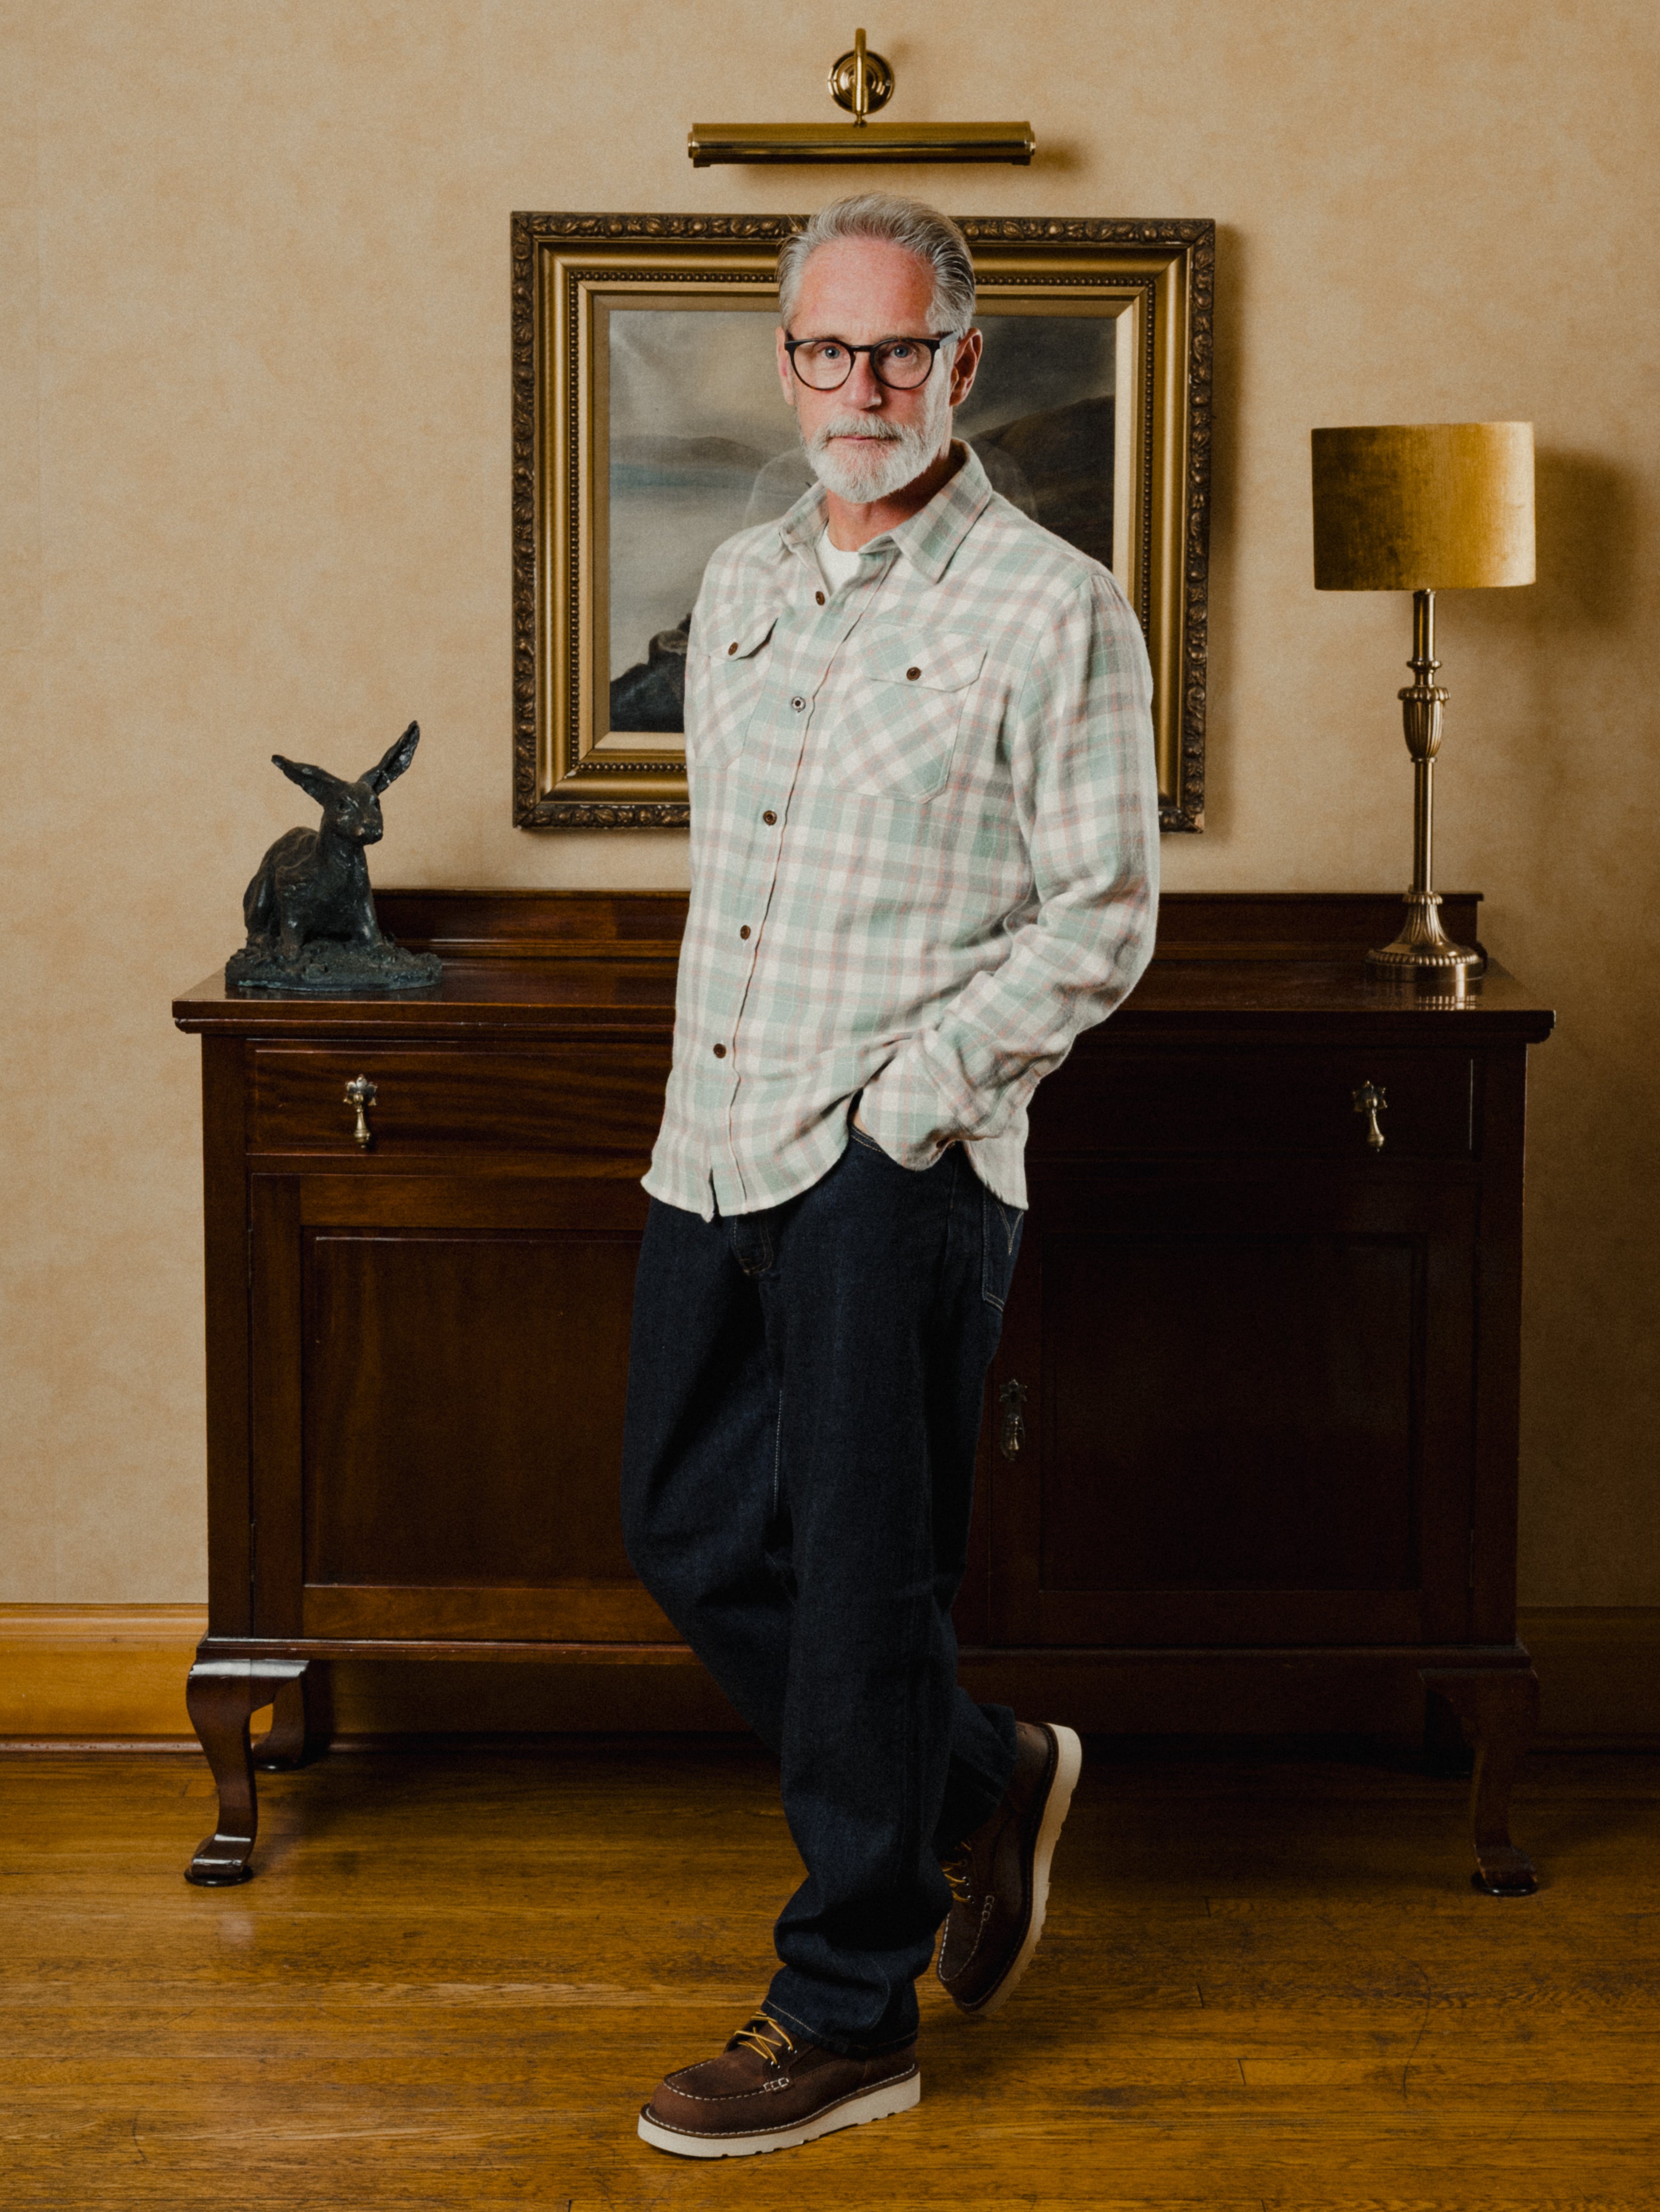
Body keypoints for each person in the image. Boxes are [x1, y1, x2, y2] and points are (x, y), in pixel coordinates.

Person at [621, 191, 1160, 2158]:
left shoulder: (1049, 606)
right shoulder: (749, 583)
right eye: (825, 352)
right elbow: (738, 891)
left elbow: (1102, 915)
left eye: (898, 351)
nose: (859, 387)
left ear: (963, 363)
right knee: (682, 1526)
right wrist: (720, 1112)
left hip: (896, 1161)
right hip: (712, 1141)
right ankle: (980, 1776)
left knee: (861, 1574)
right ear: (786, 362)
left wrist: (909, 1106)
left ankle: (846, 2007)